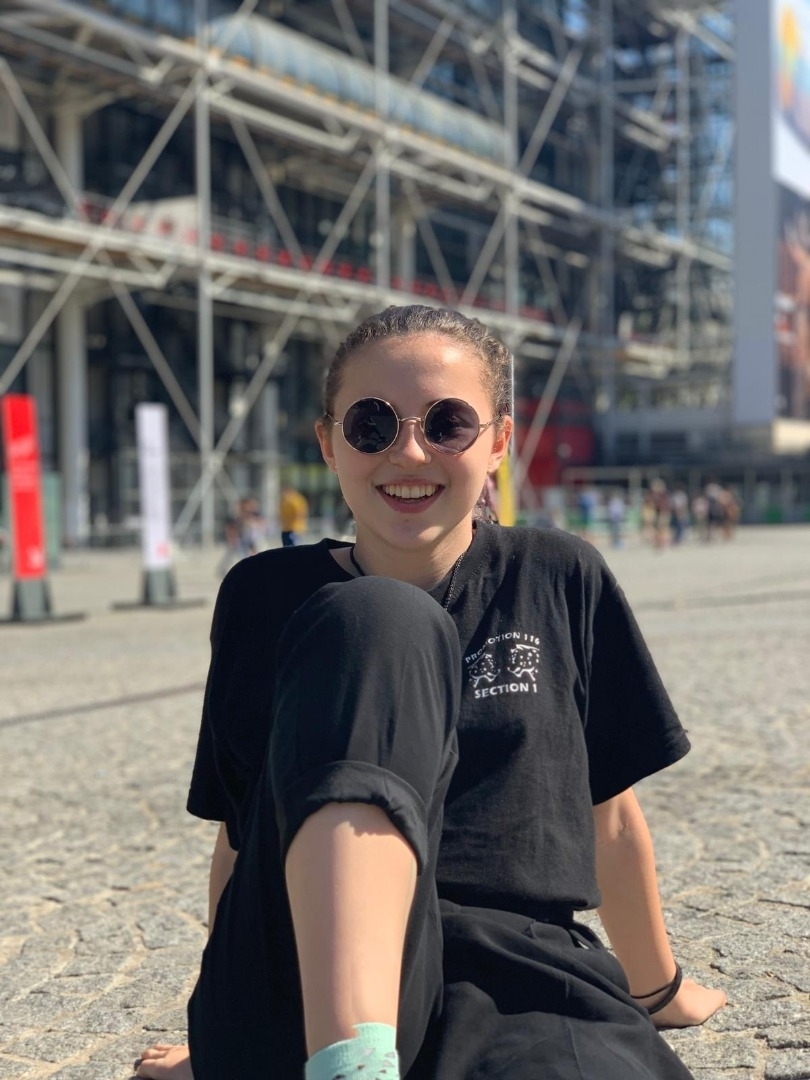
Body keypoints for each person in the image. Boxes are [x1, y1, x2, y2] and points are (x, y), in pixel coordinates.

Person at [136, 305, 726, 1080]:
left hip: (516, 983)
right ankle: (353, 1059)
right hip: (307, 988)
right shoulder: (263, 596)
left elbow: (608, 816)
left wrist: (660, 990)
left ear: (499, 442)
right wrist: (223, 1029)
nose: (409, 451)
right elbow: (243, 836)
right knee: (375, 618)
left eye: (448, 424)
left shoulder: (558, 575)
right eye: (371, 425)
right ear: (329, 443)